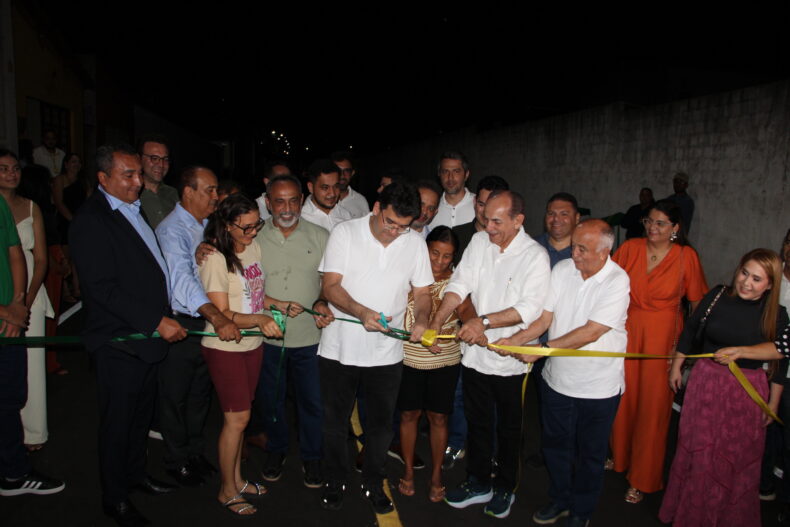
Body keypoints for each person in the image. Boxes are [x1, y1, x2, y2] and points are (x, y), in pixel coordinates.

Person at [69, 144, 186, 526]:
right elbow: (102, 289)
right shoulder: (91, 220)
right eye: (128, 175)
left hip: (146, 341)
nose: (138, 181)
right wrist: (155, 321)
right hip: (121, 341)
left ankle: (136, 474)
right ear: (103, 178)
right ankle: (115, 498)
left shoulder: (131, 208)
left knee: (139, 418)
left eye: (138, 173)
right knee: (118, 423)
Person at [495, 219, 630, 527]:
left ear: (604, 252)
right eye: (573, 246)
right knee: (555, 446)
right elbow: (545, 319)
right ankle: (560, 498)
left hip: (598, 387)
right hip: (557, 382)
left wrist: (541, 350)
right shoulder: (562, 270)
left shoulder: (617, 280)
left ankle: (582, 510)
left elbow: (591, 332)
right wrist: (516, 340)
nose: (574, 254)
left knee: (590, 454)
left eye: (582, 249)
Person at [430, 190, 551, 519]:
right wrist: (438, 320)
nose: (489, 227)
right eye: (485, 219)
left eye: (497, 221)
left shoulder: (534, 256)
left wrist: (482, 322)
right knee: (478, 423)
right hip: (474, 358)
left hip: (511, 363)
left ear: (518, 220)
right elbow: (460, 283)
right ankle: (478, 481)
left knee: (509, 431)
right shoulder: (480, 242)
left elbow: (529, 308)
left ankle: (506, 488)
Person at [318, 181, 433, 514]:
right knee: (335, 422)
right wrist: (362, 312)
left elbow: (422, 293)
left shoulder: (414, 243)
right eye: (390, 223)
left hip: (386, 352)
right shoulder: (345, 233)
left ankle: (373, 482)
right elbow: (330, 286)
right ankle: (334, 479)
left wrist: (422, 319)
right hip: (339, 347)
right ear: (377, 208)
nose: (395, 232)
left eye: (403, 227)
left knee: (381, 427)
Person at [659, 248, 789, 527]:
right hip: (705, 385)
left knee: (734, 458)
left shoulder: (777, 315)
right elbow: (690, 329)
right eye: (744, 273)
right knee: (698, 451)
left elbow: (781, 359)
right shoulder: (717, 295)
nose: (746, 282)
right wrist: (676, 365)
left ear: (770, 285)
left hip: (746, 393)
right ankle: (691, 515)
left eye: (756, 279)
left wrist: (773, 403)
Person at [609, 199, 708, 503]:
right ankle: (619, 457)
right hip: (627, 333)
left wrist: (685, 349)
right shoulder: (630, 248)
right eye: (649, 221)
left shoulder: (686, 256)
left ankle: (643, 477)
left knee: (653, 409)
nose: (653, 228)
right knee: (622, 398)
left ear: (675, 228)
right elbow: (607, 286)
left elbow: (697, 305)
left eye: (661, 223)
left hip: (663, 339)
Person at [198, 194, 287, 517]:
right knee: (236, 420)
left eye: (255, 225)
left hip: (251, 345)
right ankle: (226, 490)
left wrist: (276, 305)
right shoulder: (214, 258)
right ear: (226, 225)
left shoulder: (252, 247)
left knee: (241, 418)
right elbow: (221, 313)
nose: (252, 232)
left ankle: (237, 480)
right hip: (225, 348)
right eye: (245, 227)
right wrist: (261, 320)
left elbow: (254, 295)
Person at [155, 166, 241, 487]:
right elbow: (182, 281)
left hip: (206, 321)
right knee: (175, 396)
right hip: (183, 321)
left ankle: (194, 452)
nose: (216, 197)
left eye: (216, 190)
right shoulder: (172, 229)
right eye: (210, 190)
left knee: (199, 393)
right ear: (188, 192)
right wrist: (217, 317)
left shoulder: (207, 225)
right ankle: (176, 460)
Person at [253, 174, 334, 488]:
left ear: (302, 200)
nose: (287, 208)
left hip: (310, 338)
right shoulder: (254, 236)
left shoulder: (321, 236)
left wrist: (322, 300)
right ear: (267, 202)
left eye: (293, 201)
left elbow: (329, 281)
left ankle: (312, 456)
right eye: (279, 201)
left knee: (312, 401)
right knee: (272, 400)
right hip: (267, 336)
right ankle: (276, 449)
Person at [0, 149, 64, 498]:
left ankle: (32, 432)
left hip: (28, 295)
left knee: (30, 365)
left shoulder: (31, 206)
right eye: (3, 169)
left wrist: (24, 300)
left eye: (15, 168)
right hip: (6, 298)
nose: (11, 174)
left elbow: (39, 258)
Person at [443, 175, 509, 470]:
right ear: (475, 203)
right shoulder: (459, 235)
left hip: (500, 335)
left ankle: (491, 451)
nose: (485, 212)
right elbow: (456, 285)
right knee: (460, 393)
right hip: (464, 327)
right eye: (481, 204)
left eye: (493, 206)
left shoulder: (515, 243)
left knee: (493, 401)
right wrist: (470, 322)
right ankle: (457, 442)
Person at [397, 226, 461, 502]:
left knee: (439, 417)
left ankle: (436, 476)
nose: (440, 261)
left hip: (445, 360)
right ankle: (408, 471)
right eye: (435, 253)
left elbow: (467, 311)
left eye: (447, 256)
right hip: (409, 358)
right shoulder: (409, 274)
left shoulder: (458, 282)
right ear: (425, 250)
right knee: (409, 415)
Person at [52, 152, 89, 302]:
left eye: (78, 162)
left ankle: (77, 287)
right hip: (65, 221)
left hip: (80, 220)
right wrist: (72, 220)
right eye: (73, 161)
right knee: (65, 257)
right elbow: (58, 202)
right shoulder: (59, 180)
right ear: (66, 164)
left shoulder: (84, 182)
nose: (76, 164)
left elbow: (88, 201)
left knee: (78, 256)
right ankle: (65, 291)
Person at [138, 134, 178, 229]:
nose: (161, 165)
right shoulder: (132, 194)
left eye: (165, 159)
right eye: (154, 158)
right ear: (139, 158)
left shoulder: (173, 194)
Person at [300, 159, 352, 231]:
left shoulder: (346, 216)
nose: (332, 193)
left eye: (336, 186)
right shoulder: (301, 218)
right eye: (325, 188)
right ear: (311, 187)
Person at [428, 151, 476, 229]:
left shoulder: (479, 205)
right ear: (439, 174)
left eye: (456, 171)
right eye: (445, 171)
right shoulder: (431, 207)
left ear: (466, 174)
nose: (450, 177)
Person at [534, 193, 581, 268]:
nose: (556, 218)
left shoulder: (583, 252)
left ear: (577, 218)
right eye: (551, 213)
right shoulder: (532, 246)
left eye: (564, 214)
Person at [331, 151, 370, 218]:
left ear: (352, 173)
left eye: (347, 171)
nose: (342, 175)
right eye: (338, 170)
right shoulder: (323, 198)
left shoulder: (360, 200)